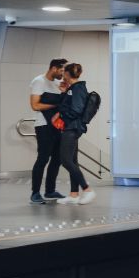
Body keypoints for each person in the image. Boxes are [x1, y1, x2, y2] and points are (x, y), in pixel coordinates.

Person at [52, 63, 95, 205]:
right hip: (72, 127)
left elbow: (76, 109)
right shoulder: (73, 88)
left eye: (64, 72)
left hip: (72, 128)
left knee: (66, 160)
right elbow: (69, 105)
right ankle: (74, 194)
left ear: (68, 74)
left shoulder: (78, 88)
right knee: (73, 161)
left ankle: (87, 190)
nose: (62, 74)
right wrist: (64, 92)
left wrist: (62, 117)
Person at [29, 58, 68, 204]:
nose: (63, 74)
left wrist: (65, 92)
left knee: (57, 159)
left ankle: (50, 191)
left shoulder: (59, 83)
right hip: (43, 125)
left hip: (58, 125)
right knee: (43, 158)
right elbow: (35, 105)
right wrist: (55, 105)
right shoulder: (39, 81)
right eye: (62, 71)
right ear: (54, 68)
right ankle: (35, 193)